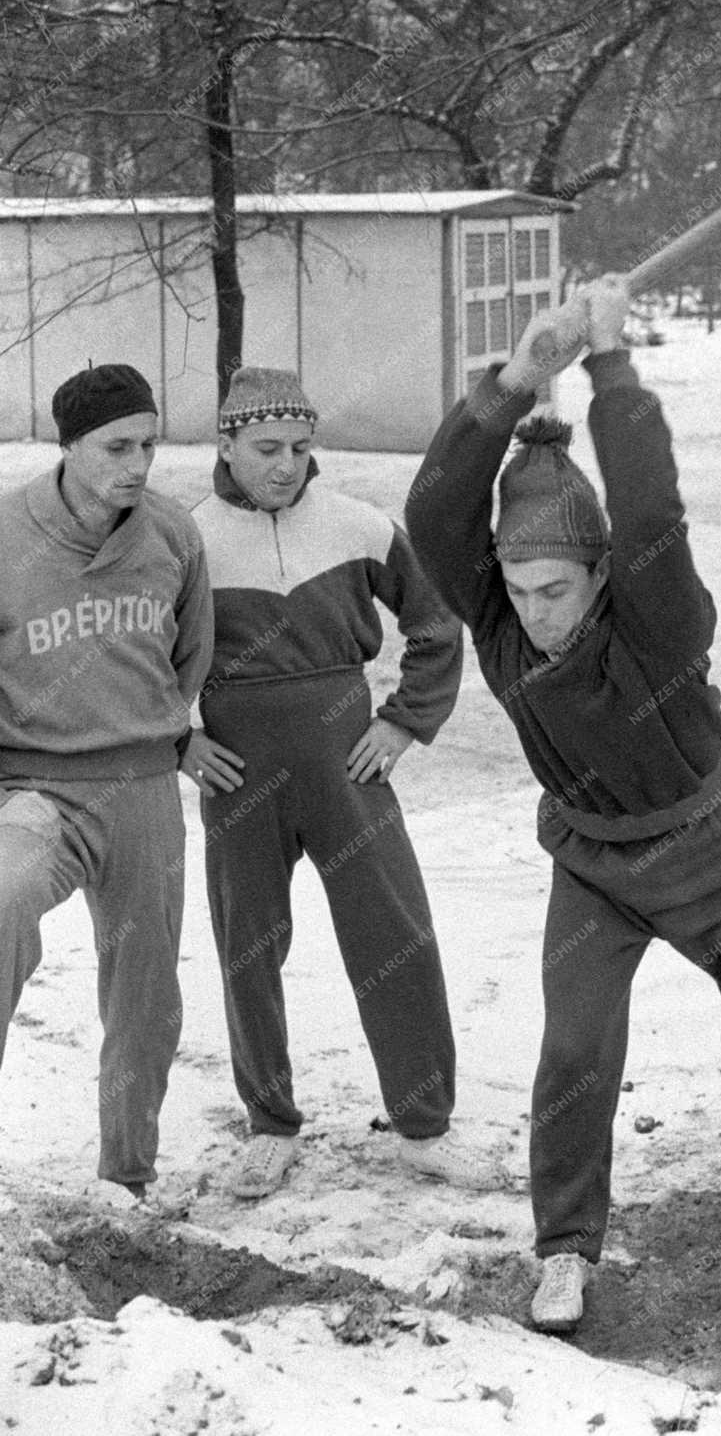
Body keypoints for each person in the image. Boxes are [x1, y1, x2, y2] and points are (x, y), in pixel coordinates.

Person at [404, 277, 721, 1333]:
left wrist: (612, 364)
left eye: (555, 591)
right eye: (517, 590)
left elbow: (652, 503)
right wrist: (519, 377)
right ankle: (565, 1248)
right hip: (597, 863)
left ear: (600, 573)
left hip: (719, 846)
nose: (533, 615)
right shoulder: (498, 617)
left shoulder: (654, 617)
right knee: (573, 1049)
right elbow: (435, 509)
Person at [186, 365, 505, 1199]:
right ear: (226, 443)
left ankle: (426, 1123)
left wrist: (402, 719)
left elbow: (437, 623)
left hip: (345, 759)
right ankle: (269, 1124)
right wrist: (178, 742)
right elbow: (140, 660)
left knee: (392, 927)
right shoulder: (187, 540)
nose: (286, 464)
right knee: (247, 944)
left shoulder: (359, 524)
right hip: (238, 768)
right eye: (265, 448)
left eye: (298, 446)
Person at [0, 363, 214, 1209]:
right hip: (37, 789)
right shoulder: (7, 534)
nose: (138, 463)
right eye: (117, 446)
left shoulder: (170, 535)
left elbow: (190, 656)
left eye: (149, 444)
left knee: (146, 991)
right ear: (69, 446)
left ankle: (127, 1178)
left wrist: (166, 734)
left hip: (141, 788)